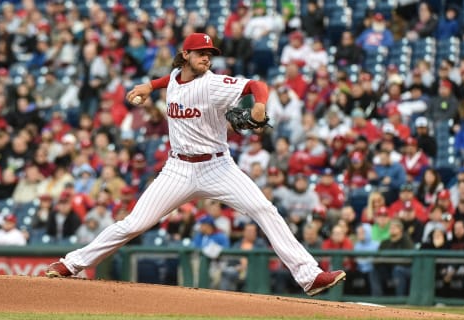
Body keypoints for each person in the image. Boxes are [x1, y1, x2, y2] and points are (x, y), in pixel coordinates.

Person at [46, 33, 345, 296]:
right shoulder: (176, 77)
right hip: (177, 169)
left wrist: (259, 105)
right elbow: (171, 80)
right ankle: (72, 264)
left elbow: (257, 84)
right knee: (133, 224)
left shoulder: (212, 84)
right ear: (185, 55)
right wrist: (149, 85)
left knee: (264, 209)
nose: (207, 58)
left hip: (218, 167)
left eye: (211, 54)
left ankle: (310, 276)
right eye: (201, 53)